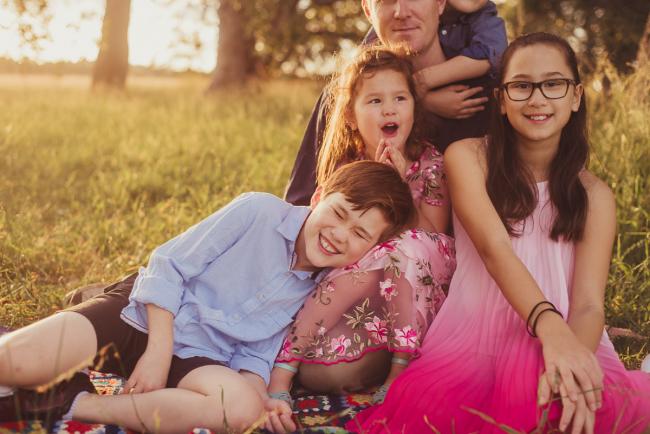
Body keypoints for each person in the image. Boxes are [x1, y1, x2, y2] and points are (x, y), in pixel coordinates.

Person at [348, 32, 650, 434]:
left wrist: (575, 361)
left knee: (590, 412)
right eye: (522, 86)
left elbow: (590, 306)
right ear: (502, 101)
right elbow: (495, 249)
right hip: (475, 341)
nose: (538, 99)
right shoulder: (468, 157)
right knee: (439, 417)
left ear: (576, 96)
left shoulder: (595, 196)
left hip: (570, 337)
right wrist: (549, 326)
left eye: (553, 84)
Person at [0, 161, 416, 434]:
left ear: (370, 248)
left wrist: (262, 396)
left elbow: (259, 351)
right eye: (340, 213)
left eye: (360, 234)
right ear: (321, 195)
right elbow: (167, 264)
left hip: (200, 355)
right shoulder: (259, 211)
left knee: (240, 410)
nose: (341, 234)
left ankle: (74, 402)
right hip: (142, 315)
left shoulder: (324, 288)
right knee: (13, 363)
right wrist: (158, 351)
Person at [263, 46, 456, 434]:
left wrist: (405, 181)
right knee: (356, 270)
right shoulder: (347, 166)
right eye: (375, 100)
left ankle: (399, 371)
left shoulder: (429, 162)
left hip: (415, 275)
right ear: (351, 115)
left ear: (413, 109)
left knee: (402, 249)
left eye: (400, 98)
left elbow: (434, 233)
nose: (390, 109)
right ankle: (284, 371)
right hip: (360, 283)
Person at [284, 0, 507, 206]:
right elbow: (301, 205)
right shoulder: (342, 98)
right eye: (385, 0)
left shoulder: (484, 97)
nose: (401, 12)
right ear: (368, 10)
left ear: (440, 2)